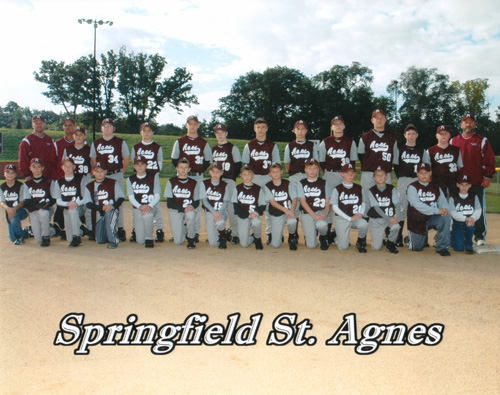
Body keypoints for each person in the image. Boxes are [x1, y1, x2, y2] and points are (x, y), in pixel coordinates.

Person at [450, 113, 496, 245]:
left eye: (471, 122)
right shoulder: (454, 141)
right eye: (465, 122)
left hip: (476, 181)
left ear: (474, 124)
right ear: (461, 124)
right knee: (457, 208)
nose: (468, 124)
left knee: (478, 208)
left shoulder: (482, 140)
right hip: (458, 183)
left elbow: (490, 160)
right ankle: (455, 233)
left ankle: (479, 235)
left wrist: (487, 176)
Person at [171, 116, 212, 242]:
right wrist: (183, 172)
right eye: (190, 124)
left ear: (198, 125)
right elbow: (174, 159)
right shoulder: (180, 141)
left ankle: (194, 232)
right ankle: (182, 230)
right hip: (183, 176)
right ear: (186, 126)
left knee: (196, 205)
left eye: (195, 124)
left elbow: (208, 161)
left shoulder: (203, 143)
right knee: (181, 201)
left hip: (198, 177)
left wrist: (198, 170)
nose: (192, 126)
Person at [318, 115, 358, 242]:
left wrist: (347, 175)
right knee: (329, 203)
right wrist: (329, 172)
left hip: (345, 175)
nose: (338, 126)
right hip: (330, 174)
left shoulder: (350, 141)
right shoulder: (325, 142)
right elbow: (322, 162)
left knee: (345, 202)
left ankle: (340, 230)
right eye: (335, 124)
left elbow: (353, 161)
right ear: (332, 127)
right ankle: (328, 233)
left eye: (340, 123)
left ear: (344, 126)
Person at [242, 118, 280, 244]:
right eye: (258, 127)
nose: (261, 129)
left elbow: (276, 165)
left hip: (268, 178)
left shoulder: (272, 145)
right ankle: (254, 233)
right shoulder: (249, 145)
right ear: (254, 129)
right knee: (253, 205)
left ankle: (270, 233)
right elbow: (245, 165)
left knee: (270, 206)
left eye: (263, 127)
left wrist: (273, 177)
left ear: (267, 128)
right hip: (255, 178)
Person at [90, 118, 130, 241]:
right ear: (101, 128)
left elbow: (126, 159)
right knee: (101, 199)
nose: (107, 128)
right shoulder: (96, 143)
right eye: (105, 126)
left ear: (113, 128)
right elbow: (93, 160)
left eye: (109, 126)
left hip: (116, 173)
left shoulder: (120, 142)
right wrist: (98, 173)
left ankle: (120, 228)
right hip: (101, 175)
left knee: (118, 200)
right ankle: (100, 226)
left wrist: (120, 171)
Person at [393, 124, 430, 246]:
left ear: (417, 135)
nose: (411, 136)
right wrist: (402, 177)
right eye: (409, 134)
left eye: (413, 134)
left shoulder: (422, 150)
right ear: (405, 135)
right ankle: (398, 236)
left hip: (417, 181)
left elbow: (426, 166)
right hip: (403, 180)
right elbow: (396, 167)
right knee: (403, 207)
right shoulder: (400, 149)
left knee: (418, 208)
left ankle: (419, 236)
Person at [130, 122, 165, 243]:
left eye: (149, 131)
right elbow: (134, 163)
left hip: (152, 177)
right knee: (137, 201)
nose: (147, 133)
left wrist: (151, 174)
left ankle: (159, 229)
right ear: (141, 132)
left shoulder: (157, 147)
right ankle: (135, 229)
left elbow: (160, 164)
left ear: (152, 132)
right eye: (144, 131)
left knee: (156, 204)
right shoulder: (136, 147)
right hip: (140, 177)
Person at [406, 163, 451, 256]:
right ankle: (409, 239)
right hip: (417, 221)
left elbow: (442, 201)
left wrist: (445, 209)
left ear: (430, 173)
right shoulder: (412, 187)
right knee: (417, 248)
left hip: (432, 218)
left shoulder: (436, 187)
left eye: (426, 173)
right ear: (417, 174)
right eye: (421, 173)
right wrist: (436, 211)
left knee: (446, 217)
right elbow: (416, 204)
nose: (424, 175)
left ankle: (442, 247)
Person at [211, 123, 242, 245]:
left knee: (231, 208)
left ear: (226, 133)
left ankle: (235, 234)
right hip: (217, 182)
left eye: (222, 132)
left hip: (228, 181)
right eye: (217, 133)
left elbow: (238, 165)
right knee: (217, 207)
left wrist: (231, 178)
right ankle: (219, 232)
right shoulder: (213, 149)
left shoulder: (232, 148)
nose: (220, 135)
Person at [83, 161, 125, 249]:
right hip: (98, 216)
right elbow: (88, 203)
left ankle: (114, 240)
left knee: (109, 212)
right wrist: (101, 207)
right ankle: (110, 232)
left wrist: (113, 206)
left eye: (101, 171)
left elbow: (121, 197)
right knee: (100, 240)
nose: (99, 173)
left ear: (105, 171)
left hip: (111, 211)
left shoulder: (113, 183)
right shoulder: (89, 186)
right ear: (93, 172)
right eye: (97, 171)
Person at [357, 109, 398, 192]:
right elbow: (361, 155)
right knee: (367, 200)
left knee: (385, 199)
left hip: (386, 173)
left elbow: (395, 155)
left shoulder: (392, 138)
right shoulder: (365, 137)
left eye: (382, 118)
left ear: (385, 120)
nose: (379, 120)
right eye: (377, 118)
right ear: (372, 120)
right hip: (368, 173)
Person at [331, 163, 368, 253]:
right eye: (347, 173)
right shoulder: (337, 189)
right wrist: (349, 218)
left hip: (355, 217)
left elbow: (363, 202)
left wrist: (361, 213)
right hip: (342, 218)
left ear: (355, 174)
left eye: (352, 173)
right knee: (343, 247)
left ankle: (360, 242)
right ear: (342, 174)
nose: (350, 175)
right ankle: (334, 236)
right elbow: (335, 208)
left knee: (364, 224)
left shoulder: (359, 188)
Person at [62, 126, 92, 237]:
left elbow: (94, 165)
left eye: (81, 134)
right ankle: (76, 227)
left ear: (84, 136)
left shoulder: (89, 149)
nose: (78, 137)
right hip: (72, 180)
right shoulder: (68, 149)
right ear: (73, 136)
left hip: (85, 178)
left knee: (88, 203)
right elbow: (64, 164)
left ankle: (90, 228)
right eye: (76, 134)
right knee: (74, 204)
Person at [126, 155, 162, 248]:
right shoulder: (130, 179)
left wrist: (149, 206)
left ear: (146, 165)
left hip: (151, 207)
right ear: (134, 167)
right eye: (137, 164)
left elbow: (157, 196)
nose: (140, 166)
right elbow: (131, 197)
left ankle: (149, 238)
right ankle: (146, 232)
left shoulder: (153, 177)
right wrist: (140, 207)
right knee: (140, 241)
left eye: (142, 164)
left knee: (147, 215)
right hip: (138, 208)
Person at [164, 158, 200, 249]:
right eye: (181, 167)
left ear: (189, 169)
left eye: (185, 168)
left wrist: (191, 206)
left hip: (188, 209)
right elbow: (169, 202)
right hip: (176, 210)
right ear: (177, 168)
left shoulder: (194, 183)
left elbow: (197, 201)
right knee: (178, 241)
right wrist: (182, 209)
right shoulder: (171, 181)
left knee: (191, 215)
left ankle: (191, 238)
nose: (183, 170)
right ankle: (184, 227)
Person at [296, 159, 331, 250]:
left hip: (320, 210)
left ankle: (323, 236)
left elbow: (328, 201)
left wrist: (325, 213)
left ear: (318, 169)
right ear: (305, 170)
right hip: (307, 213)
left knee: (321, 225)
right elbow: (303, 201)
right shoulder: (301, 183)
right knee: (311, 245)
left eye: (315, 168)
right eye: (309, 168)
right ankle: (312, 233)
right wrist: (313, 215)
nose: (312, 171)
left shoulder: (324, 183)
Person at [264, 162, 298, 250]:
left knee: (293, 221)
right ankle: (278, 236)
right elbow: (273, 203)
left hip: (289, 212)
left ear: (281, 172)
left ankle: (292, 236)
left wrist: (291, 211)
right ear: (269, 174)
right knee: (275, 245)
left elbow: (294, 200)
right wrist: (286, 211)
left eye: (277, 171)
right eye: (273, 172)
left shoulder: (288, 183)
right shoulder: (267, 186)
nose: (275, 173)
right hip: (276, 213)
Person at [366, 168, 401, 254]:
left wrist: (398, 218)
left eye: (382, 175)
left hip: (389, 218)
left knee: (396, 226)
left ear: (386, 177)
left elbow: (398, 203)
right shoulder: (371, 190)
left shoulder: (391, 188)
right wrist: (389, 219)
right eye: (378, 175)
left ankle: (390, 243)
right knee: (376, 248)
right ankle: (381, 238)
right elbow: (377, 208)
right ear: (374, 178)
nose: (380, 177)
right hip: (376, 220)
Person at [52, 158, 85, 247]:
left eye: (70, 166)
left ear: (74, 167)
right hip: (66, 208)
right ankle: (81, 231)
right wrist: (68, 204)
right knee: (69, 239)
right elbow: (58, 201)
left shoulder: (80, 179)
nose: (68, 168)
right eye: (65, 166)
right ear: (62, 168)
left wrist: (76, 203)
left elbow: (86, 198)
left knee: (72, 210)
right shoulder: (58, 182)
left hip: (79, 208)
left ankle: (77, 237)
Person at [22, 158, 56, 247]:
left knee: (43, 213)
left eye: (39, 167)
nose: (36, 169)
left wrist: (46, 204)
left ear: (43, 168)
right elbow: (27, 200)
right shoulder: (27, 184)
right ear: (30, 168)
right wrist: (37, 205)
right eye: (34, 167)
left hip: (46, 209)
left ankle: (46, 237)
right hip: (34, 210)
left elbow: (54, 199)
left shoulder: (49, 181)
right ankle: (54, 230)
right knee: (38, 239)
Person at [231, 166, 266, 249]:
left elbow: (262, 205)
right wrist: (247, 214)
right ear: (241, 176)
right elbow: (235, 206)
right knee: (244, 244)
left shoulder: (258, 188)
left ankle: (257, 239)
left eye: (249, 174)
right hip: (243, 215)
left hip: (254, 214)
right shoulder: (237, 188)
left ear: (253, 175)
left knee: (256, 222)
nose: (247, 177)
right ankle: (252, 237)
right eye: (244, 174)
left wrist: (256, 212)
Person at [200, 162, 231, 249]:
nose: (215, 174)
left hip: (222, 211)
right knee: (213, 243)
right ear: (210, 172)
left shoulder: (225, 185)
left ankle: (223, 238)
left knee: (220, 222)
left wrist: (219, 213)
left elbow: (225, 202)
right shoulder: (204, 183)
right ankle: (225, 233)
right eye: (213, 171)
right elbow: (204, 201)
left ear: (221, 173)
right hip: (210, 212)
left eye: (218, 172)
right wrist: (214, 212)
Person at [18, 115, 58, 180]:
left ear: (44, 125)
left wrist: (54, 174)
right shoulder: (27, 141)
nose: (39, 125)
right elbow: (23, 159)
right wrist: (27, 175)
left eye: (41, 123)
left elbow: (54, 160)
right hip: (33, 177)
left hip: (48, 177)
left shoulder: (50, 140)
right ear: (32, 125)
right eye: (36, 123)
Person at [449, 174, 481, 254]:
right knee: (459, 248)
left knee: (470, 226)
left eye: (466, 185)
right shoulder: (453, 197)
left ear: (470, 185)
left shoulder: (473, 196)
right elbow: (453, 213)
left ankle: (469, 244)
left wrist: (472, 218)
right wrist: (465, 218)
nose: (464, 187)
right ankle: (451, 237)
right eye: (462, 184)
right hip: (457, 223)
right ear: (457, 185)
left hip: (470, 222)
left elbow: (478, 209)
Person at [428, 125, 462, 197]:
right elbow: (428, 169)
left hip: (453, 183)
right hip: (437, 182)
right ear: (436, 135)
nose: (443, 136)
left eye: (446, 133)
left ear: (449, 135)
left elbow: (459, 167)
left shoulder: (456, 150)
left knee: (453, 205)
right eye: (441, 134)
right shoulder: (430, 150)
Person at [0, 164, 29, 245]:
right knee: (12, 238)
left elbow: (22, 202)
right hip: (9, 211)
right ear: (4, 174)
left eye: (12, 172)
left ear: (16, 174)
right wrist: (7, 208)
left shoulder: (20, 185)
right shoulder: (2, 187)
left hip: (22, 210)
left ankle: (20, 238)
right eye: (8, 172)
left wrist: (14, 209)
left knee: (13, 215)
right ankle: (24, 233)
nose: (10, 175)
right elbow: (2, 202)